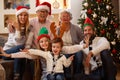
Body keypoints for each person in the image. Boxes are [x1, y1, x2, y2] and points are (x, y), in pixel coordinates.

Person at [0, 37, 74, 80]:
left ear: (50, 42)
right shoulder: (38, 54)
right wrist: (9, 55)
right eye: (41, 41)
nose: (44, 43)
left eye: (46, 41)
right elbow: (24, 55)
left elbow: (67, 51)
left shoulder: (54, 51)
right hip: (46, 76)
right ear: (39, 43)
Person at [52, 10, 84, 80]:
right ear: (60, 18)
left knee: (79, 54)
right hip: (63, 49)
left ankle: (77, 74)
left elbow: (83, 39)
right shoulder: (57, 29)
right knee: (65, 56)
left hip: (74, 48)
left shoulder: (76, 28)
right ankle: (68, 75)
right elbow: (55, 41)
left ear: (70, 18)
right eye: (63, 16)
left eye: (67, 16)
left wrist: (81, 45)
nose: (65, 18)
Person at [2, 6, 30, 80]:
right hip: (6, 52)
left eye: (25, 15)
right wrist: (17, 29)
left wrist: (27, 49)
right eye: (21, 15)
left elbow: (27, 43)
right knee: (20, 48)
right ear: (17, 16)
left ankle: (18, 77)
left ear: (27, 17)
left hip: (19, 51)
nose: (23, 17)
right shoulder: (13, 27)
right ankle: (17, 76)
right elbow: (17, 43)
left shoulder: (29, 28)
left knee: (22, 54)